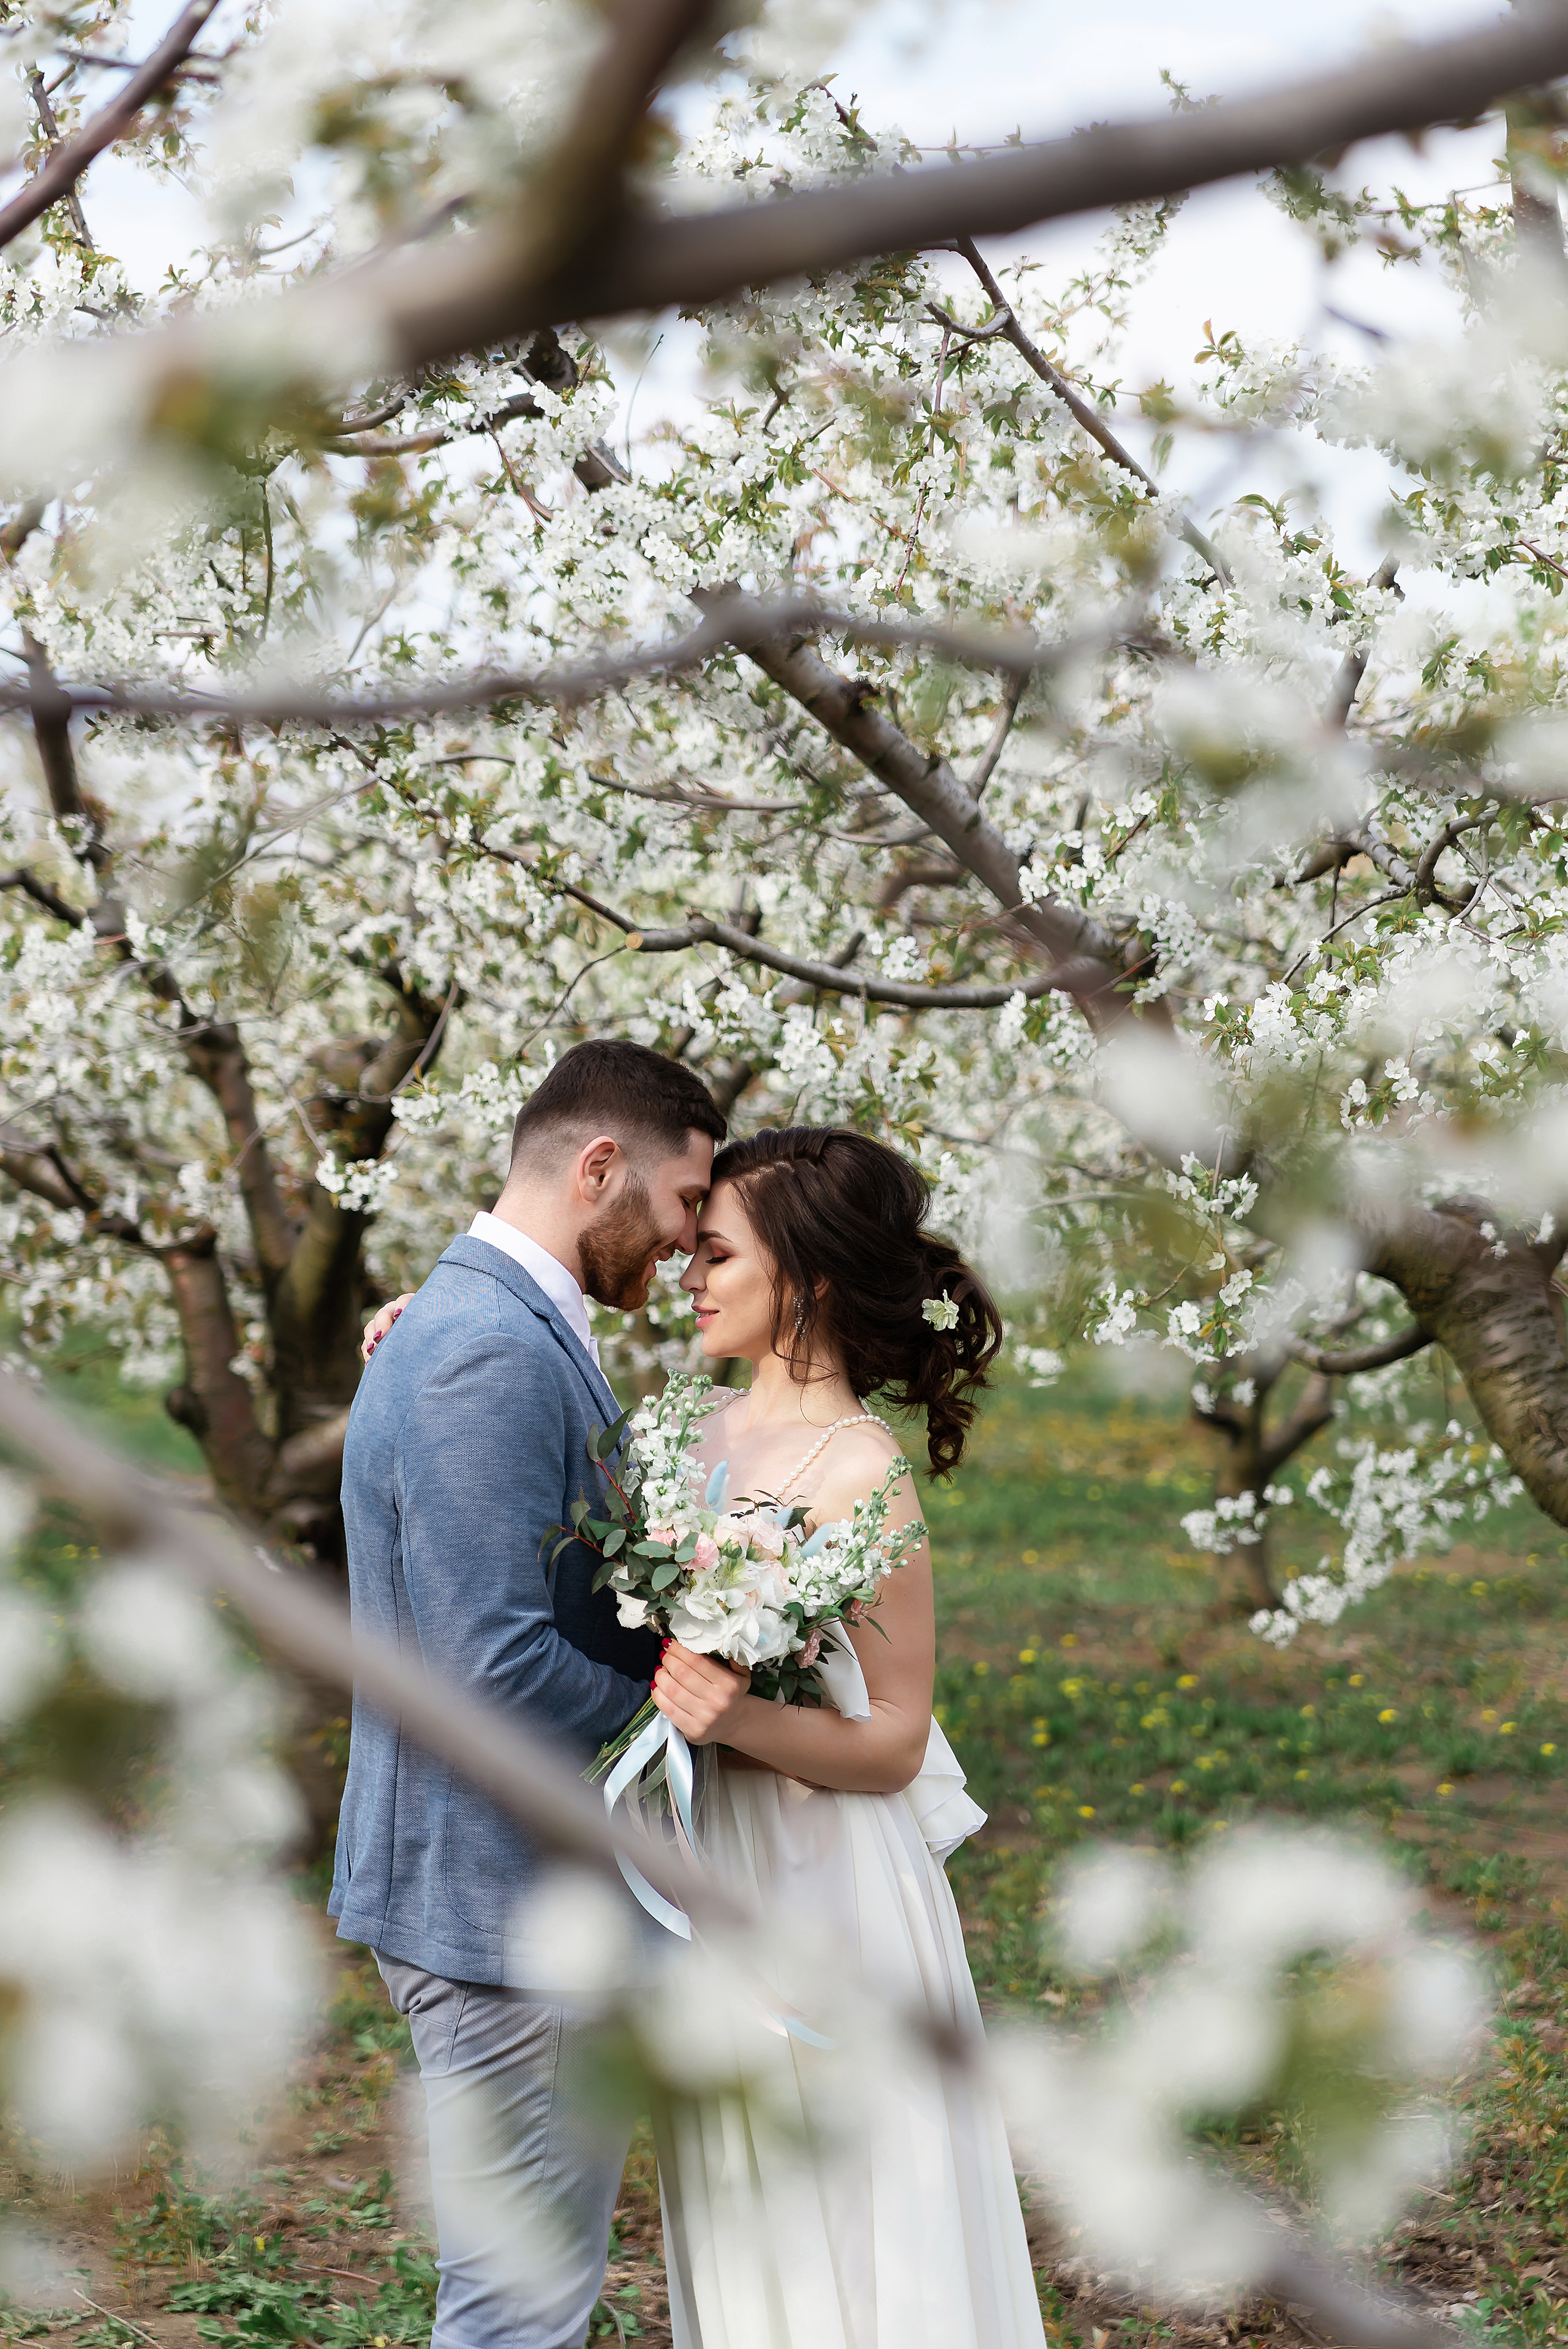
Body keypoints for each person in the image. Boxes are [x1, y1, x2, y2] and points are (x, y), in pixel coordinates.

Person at [364, 1119, 1047, 2348]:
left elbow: (893, 1740)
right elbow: (545, 1500)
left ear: (810, 1281)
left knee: (845, 2203)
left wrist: (738, 1719)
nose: (684, 1269)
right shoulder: (680, 1430)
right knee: (739, 2204)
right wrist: (428, 1336)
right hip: (697, 1866)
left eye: (716, 1253)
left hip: (822, 1885)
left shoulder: (861, 1471)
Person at [334, 1038, 726, 2349]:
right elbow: (486, 1667)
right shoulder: (480, 1351)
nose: (683, 1244)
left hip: (499, 1886)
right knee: (517, 2310)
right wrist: (679, 1722)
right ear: (598, 1167)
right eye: (680, 1205)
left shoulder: (479, 1325)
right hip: (498, 1899)